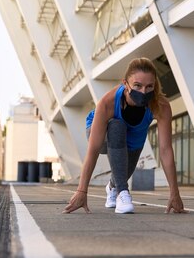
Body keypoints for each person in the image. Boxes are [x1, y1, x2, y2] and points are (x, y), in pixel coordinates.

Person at [63, 57, 186, 214]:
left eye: (149, 87)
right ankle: (123, 192)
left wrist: (175, 194)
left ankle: (113, 187)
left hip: (134, 137)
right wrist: (82, 191)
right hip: (102, 133)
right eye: (137, 85)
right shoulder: (107, 103)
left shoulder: (160, 105)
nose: (143, 92)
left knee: (123, 172)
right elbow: (93, 149)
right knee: (117, 125)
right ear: (125, 84)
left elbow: (165, 150)